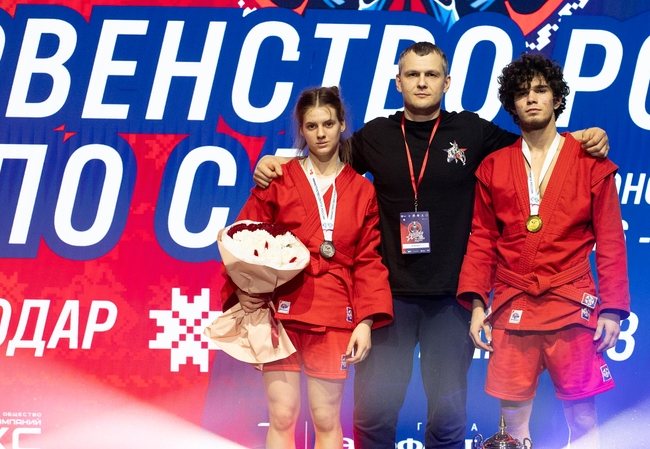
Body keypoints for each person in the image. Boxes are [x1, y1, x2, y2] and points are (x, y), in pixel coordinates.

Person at [254, 42, 610, 449]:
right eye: (412, 74)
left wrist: (580, 138)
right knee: (374, 414)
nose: (421, 82)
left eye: (431, 75)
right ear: (398, 82)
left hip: (450, 299)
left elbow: (534, 145)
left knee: (447, 417)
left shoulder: (471, 131)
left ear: (447, 82)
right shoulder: (376, 135)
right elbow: (321, 158)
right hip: (388, 298)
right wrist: (277, 164)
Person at [456, 53, 630, 448]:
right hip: (513, 302)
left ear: (557, 98)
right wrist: (478, 305)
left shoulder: (590, 162)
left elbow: (610, 241)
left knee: (583, 418)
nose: (532, 98)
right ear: (512, 104)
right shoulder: (493, 166)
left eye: (540, 90)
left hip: (571, 302)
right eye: (522, 93)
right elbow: (482, 240)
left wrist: (613, 309)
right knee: (512, 425)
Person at [220, 86, 394, 449]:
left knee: (326, 418)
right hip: (281, 311)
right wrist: (244, 290)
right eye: (311, 126)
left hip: (334, 313)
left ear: (342, 125)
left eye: (328, 124)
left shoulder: (362, 191)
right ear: (301, 130)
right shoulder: (278, 178)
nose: (321, 134)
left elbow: (368, 260)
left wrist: (365, 322)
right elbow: (244, 238)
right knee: (282, 415)